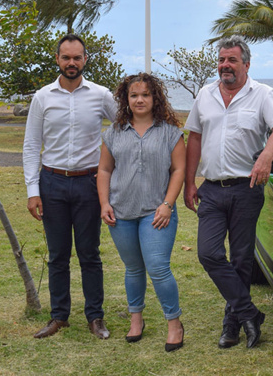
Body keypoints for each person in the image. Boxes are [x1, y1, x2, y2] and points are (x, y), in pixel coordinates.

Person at [184, 35, 273, 349]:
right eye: (221, 60)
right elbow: (194, 139)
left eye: (231, 60)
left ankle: (232, 325)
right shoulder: (205, 95)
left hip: (247, 189)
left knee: (242, 259)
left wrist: (266, 157)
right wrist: (190, 182)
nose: (225, 66)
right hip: (212, 190)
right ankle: (249, 313)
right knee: (209, 253)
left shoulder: (262, 94)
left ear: (246, 63)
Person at [23, 34, 114, 339]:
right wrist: (33, 191)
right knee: (58, 254)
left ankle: (95, 317)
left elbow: (124, 130)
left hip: (89, 183)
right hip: (52, 183)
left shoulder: (101, 96)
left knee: (90, 253)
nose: (71, 63)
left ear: (85, 59)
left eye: (77, 57)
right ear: (58, 59)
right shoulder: (42, 97)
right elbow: (32, 144)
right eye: (66, 57)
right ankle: (58, 316)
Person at [97, 73, 186, 352]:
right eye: (133, 95)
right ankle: (136, 320)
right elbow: (104, 170)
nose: (139, 100)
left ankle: (174, 323)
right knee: (133, 269)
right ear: (126, 99)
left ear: (155, 98)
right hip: (120, 213)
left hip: (156, 213)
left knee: (158, 268)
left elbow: (179, 170)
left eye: (145, 94)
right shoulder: (114, 132)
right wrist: (104, 203)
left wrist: (167, 204)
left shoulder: (171, 132)